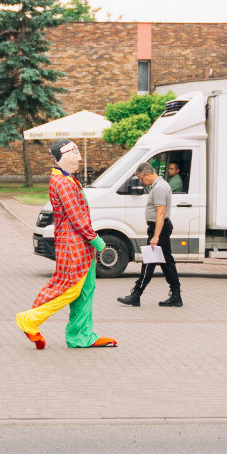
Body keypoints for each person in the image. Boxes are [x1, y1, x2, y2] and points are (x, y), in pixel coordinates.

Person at [15, 139, 117, 349]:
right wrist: (97, 240)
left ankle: (80, 336)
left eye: (78, 151)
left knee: (86, 290)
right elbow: (77, 217)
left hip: (80, 245)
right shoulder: (62, 181)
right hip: (73, 246)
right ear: (60, 156)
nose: (78, 156)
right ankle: (30, 320)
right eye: (73, 151)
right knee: (69, 289)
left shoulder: (66, 179)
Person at [117, 165, 181, 307]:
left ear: (147, 174)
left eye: (141, 179)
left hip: (159, 229)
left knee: (149, 262)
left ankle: (136, 294)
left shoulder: (159, 188)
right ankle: (176, 295)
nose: (141, 182)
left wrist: (156, 236)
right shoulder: (160, 185)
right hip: (161, 228)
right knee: (167, 262)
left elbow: (161, 213)